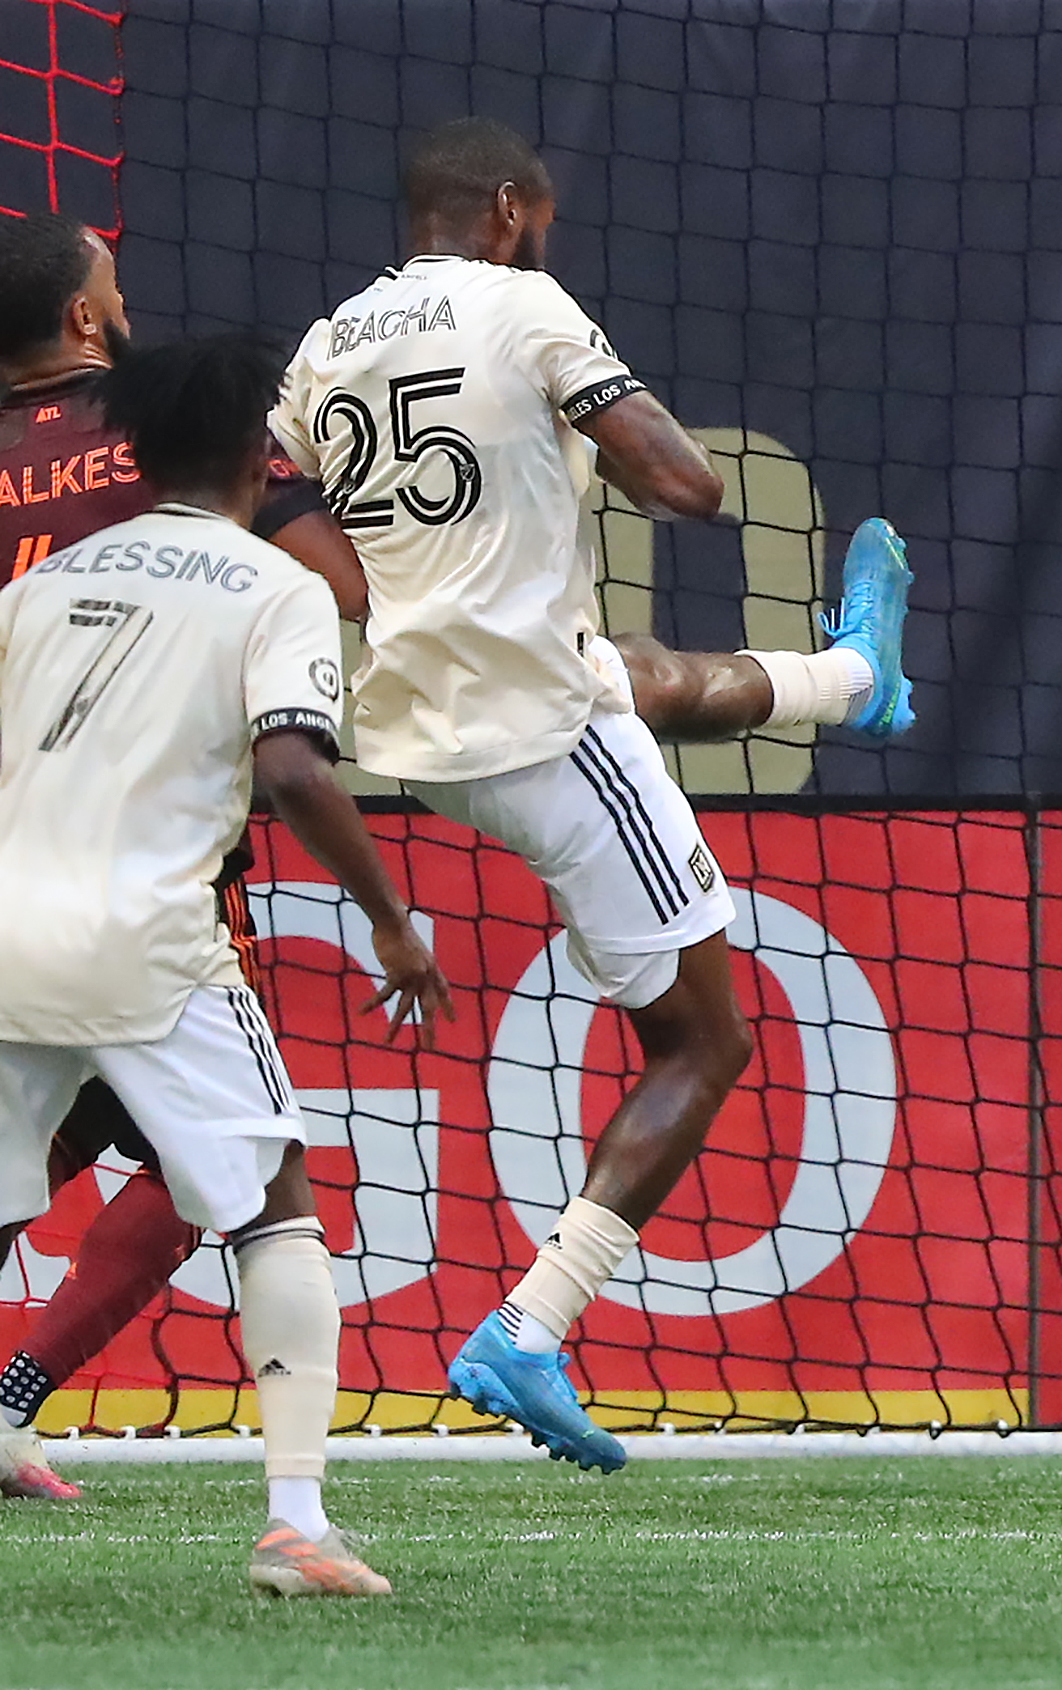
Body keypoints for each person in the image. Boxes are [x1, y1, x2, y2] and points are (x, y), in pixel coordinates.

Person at [0, 196, 914, 1494]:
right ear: (91, 318)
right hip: (167, 863)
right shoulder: (158, 442)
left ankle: (843, 678)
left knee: (62, 1144)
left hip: (21, 857)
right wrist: (384, 912)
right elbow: (335, 619)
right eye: (115, 287)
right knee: (257, 1182)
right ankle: (300, 1508)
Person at [270, 117, 913, 1473]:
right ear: (509, 208)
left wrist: (406, 581)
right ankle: (529, 1327)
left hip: (415, 721)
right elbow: (691, 482)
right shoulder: (527, 306)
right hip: (537, 735)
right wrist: (601, 433)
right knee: (708, 1042)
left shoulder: (330, 340)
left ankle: (855, 676)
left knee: (637, 669)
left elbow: (278, 514)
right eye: (540, 217)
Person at [0, 334, 452, 1593]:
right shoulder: (274, 587)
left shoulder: (39, 586)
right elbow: (296, 765)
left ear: (135, 452)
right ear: (262, 457)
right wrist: (391, 919)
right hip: (153, 941)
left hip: (6, 932)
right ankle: (295, 1524)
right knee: (274, 1203)